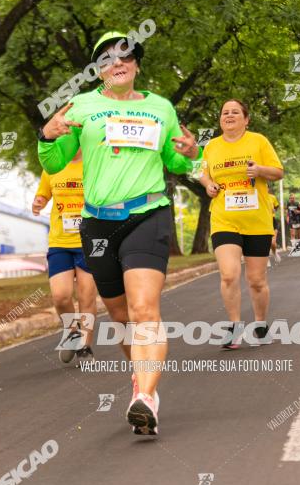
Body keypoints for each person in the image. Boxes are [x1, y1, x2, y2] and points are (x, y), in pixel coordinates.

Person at [37, 30, 200, 436]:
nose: (118, 62)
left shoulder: (160, 107)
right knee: (121, 315)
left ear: (137, 65)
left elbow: (174, 161)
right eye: (108, 57)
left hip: (148, 213)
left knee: (145, 308)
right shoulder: (82, 106)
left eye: (126, 55)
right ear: (98, 69)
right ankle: (139, 377)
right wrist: (47, 136)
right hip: (97, 223)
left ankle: (145, 396)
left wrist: (188, 154)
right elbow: (56, 163)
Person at [199, 99, 284, 349]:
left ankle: (260, 324)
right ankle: (234, 328)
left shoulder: (258, 141)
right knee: (228, 275)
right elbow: (202, 173)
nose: (229, 115)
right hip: (224, 219)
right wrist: (208, 185)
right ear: (220, 120)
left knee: (256, 280)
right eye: (225, 112)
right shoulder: (212, 147)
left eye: (235, 112)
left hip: (257, 220)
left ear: (246, 119)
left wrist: (259, 170)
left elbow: (278, 172)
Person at [32, 150, 97, 364]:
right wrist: (39, 201)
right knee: (61, 296)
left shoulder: (94, 163)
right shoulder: (53, 166)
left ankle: (85, 347)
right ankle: (72, 334)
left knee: (86, 297)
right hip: (60, 242)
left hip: (90, 242)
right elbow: (43, 192)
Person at [266, 192, 281, 264]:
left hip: (272, 220)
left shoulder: (272, 197)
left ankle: (274, 253)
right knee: (265, 243)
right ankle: (266, 259)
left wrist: (274, 210)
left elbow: (276, 206)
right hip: (263, 221)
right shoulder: (257, 196)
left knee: (273, 243)